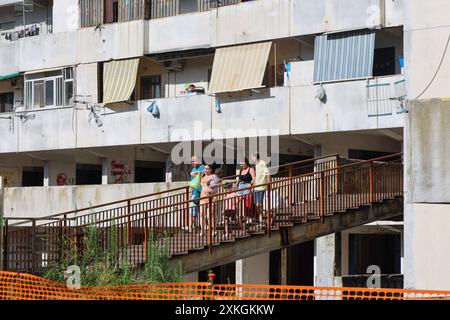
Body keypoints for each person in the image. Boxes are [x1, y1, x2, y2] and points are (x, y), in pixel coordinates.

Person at [252, 152, 271, 226]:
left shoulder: (262, 163)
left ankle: (261, 219)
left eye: (252, 157)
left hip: (261, 186)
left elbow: (268, 173)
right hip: (256, 187)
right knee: (256, 204)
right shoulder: (256, 164)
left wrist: (269, 183)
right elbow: (258, 174)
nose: (252, 159)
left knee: (259, 204)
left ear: (255, 157)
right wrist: (254, 182)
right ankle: (260, 218)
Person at [236, 157, 256, 223]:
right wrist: (236, 185)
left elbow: (254, 178)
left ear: (246, 163)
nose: (242, 165)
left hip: (247, 185)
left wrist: (250, 184)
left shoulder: (250, 169)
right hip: (240, 186)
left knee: (247, 202)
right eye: (241, 164)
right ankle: (241, 216)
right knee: (239, 202)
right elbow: (239, 179)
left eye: (243, 164)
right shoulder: (241, 170)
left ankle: (249, 217)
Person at [188, 155, 205, 232]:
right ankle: (191, 227)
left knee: (202, 210)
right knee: (193, 210)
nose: (192, 162)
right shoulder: (193, 169)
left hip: (201, 192)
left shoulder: (203, 167)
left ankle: (205, 226)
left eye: (194, 161)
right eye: (191, 161)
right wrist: (190, 192)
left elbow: (202, 174)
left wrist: (194, 173)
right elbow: (192, 182)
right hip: (194, 192)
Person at [200, 165, 215, 236]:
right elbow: (192, 174)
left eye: (207, 169)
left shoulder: (213, 176)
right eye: (205, 169)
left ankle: (213, 230)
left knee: (210, 215)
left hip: (211, 198)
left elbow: (220, 183)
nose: (206, 170)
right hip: (203, 198)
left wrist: (212, 186)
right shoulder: (202, 177)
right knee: (201, 214)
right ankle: (202, 231)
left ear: (210, 169)